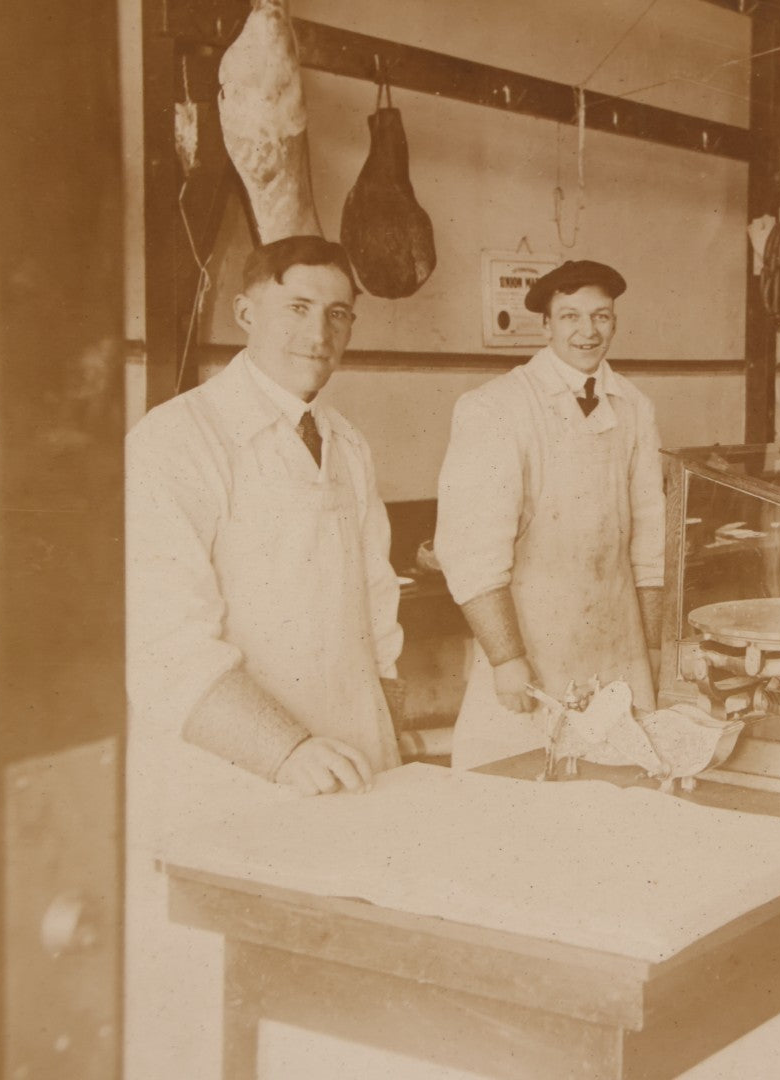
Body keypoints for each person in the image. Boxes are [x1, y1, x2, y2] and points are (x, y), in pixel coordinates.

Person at [123, 235, 405, 1079]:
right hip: (231, 778)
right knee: (212, 1025)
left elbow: (374, 602)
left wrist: (390, 735)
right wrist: (285, 751)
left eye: (337, 313)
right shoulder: (176, 441)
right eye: (296, 307)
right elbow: (163, 645)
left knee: (332, 1026)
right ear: (245, 312)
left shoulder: (346, 443)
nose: (318, 332)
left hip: (349, 765)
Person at [435, 259, 665, 769]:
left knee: (622, 801)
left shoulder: (634, 406)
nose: (588, 332)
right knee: (519, 795)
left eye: (601, 316)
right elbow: (470, 553)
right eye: (570, 316)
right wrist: (505, 658)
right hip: (532, 652)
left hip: (617, 647)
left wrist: (649, 646)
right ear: (545, 324)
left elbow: (650, 541)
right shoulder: (495, 407)